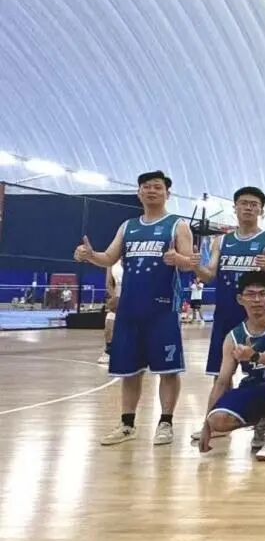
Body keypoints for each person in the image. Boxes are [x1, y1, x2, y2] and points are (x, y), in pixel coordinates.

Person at [74, 171, 196, 446]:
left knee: (168, 370)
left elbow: (191, 263)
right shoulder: (128, 226)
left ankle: (165, 423)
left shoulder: (177, 225)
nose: (151, 191)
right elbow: (108, 258)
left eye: (157, 187)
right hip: (129, 311)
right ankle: (127, 424)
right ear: (139, 193)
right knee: (129, 371)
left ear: (167, 193)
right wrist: (90, 255)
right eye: (146, 187)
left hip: (163, 310)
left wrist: (178, 259)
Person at [192, 186, 265, 446]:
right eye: (244, 203)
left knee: (263, 372)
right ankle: (216, 420)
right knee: (221, 372)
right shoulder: (221, 241)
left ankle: (264, 421)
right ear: (235, 207)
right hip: (226, 313)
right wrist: (195, 265)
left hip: (258, 318)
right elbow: (209, 274)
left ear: (261, 209)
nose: (248, 208)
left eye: (254, 204)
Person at [196, 271, 265, 461]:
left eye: (262, 294)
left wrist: (254, 356)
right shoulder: (233, 337)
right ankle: (263, 418)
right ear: (240, 299)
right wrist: (206, 426)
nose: (257, 300)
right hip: (255, 388)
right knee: (217, 420)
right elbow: (222, 382)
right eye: (251, 294)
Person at [97, 259, 123, 365]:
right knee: (109, 322)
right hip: (117, 297)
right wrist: (115, 297)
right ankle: (109, 351)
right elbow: (108, 284)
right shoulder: (112, 261)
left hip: (134, 295)